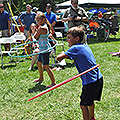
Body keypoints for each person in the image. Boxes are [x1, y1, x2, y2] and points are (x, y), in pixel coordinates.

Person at [57, 27, 103, 120]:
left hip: (90, 81)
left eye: (69, 38)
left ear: (77, 39)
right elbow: (76, 57)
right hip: (98, 78)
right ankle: (92, 117)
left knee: (83, 105)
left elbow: (59, 58)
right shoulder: (84, 46)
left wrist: (63, 53)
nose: (67, 40)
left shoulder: (75, 48)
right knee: (90, 101)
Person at [33, 13, 56, 87]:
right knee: (39, 63)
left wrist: (34, 30)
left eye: (38, 20)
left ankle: (53, 82)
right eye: (36, 21)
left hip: (45, 50)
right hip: (42, 48)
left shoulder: (42, 28)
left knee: (46, 67)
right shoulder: (43, 26)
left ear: (43, 19)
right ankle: (41, 78)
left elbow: (35, 37)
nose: (37, 22)